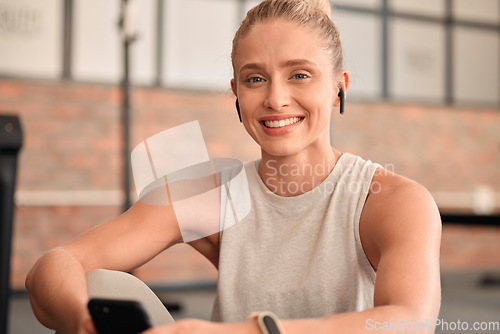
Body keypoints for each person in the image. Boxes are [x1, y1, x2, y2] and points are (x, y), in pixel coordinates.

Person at [26, 0, 442, 333]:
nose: (276, 99)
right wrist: (84, 322)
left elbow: (410, 320)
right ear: (236, 94)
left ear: (338, 88)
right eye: (255, 79)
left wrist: (246, 331)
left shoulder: (393, 201)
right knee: (101, 286)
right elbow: (58, 263)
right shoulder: (207, 193)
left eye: (299, 75)